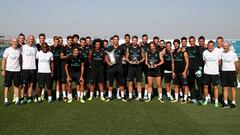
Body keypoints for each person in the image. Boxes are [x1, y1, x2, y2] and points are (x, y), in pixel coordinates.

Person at [105, 35, 126, 102]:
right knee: (110, 83)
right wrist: (108, 62)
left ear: (118, 40)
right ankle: (109, 96)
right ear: (113, 40)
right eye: (114, 39)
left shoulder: (121, 48)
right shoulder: (109, 48)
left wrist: (124, 59)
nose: (116, 40)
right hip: (111, 68)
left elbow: (124, 55)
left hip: (119, 68)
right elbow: (106, 57)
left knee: (120, 83)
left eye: (117, 39)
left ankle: (122, 96)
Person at [2, 38, 21, 106]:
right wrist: (3, 70)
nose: (15, 43)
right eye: (13, 42)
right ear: (11, 42)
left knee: (16, 86)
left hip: (17, 71)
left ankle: (17, 100)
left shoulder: (19, 50)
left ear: (18, 42)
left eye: (16, 42)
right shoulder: (7, 50)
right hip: (9, 71)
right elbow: (4, 60)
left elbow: (20, 60)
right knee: (7, 86)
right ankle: (6, 100)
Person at [202, 40, 221, 107]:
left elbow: (219, 61)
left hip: (215, 73)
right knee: (205, 86)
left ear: (214, 46)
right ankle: (206, 100)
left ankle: (216, 101)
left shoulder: (218, 52)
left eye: (211, 45)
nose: (210, 47)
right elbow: (205, 61)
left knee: (215, 87)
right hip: (206, 72)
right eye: (209, 45)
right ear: (207, 46)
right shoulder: (205, 52)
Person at [125, 36, 145, 101]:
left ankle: (139, 97)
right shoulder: (129, 48)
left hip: (138, 67)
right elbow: (126, 58)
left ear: (137, 41)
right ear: (132, 41)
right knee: (130, 83)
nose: (135, 41)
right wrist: (129, 61)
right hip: (131, 67)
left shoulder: (140, 48)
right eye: (133, 40)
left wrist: (139, 61)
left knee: (139, 83)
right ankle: (130, 97)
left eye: (136, 40)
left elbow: (144, 58)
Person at [20, 35, 38, 104]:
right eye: (30, 39)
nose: (31, 40)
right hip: (25, 68)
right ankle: (22, 98)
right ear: (27, 40)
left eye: (32, 39)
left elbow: (37, 57)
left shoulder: (35, 47)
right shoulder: (23, 47)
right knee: (24, 85)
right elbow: (20, 57)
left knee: (31, 84)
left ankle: (30, 97)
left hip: (33, 68)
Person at [221, 41, 238, 108]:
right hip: (224, 72)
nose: (225, 47)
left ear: (229, 46)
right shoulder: (222, 53)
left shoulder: (233, 53)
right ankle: (225, 102)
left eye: (226, 46)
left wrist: (236, 72)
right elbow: (221, 62)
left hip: (232, 72)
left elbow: (236, 63)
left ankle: (233, 102)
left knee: (233, 88)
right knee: (225, 87)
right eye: (224, 46)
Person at [172, 39, 189, 104]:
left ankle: (185, 99)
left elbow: (187, 63)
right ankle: (176, 98)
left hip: (183, 72)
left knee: (185, 86)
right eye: (175, 44)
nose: (176, 45)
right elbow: (173, 63)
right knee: (176, 85)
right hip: (176, 72)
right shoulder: (173, 52)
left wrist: (185, 72)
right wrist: (173, 72)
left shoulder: (184, 52)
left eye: (177, 44)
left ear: (179, 44)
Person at [186, 36, 201, 103]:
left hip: (197, 70)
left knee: (199, 84)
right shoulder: (187, 48)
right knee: (192, 85)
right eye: (190, 41)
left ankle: (200, 98)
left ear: (195, 41)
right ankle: (193, 98)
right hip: (190, 70)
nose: (191, 42)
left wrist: (200, 69)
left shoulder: (198, 48)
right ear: (189, 42)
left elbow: (201, 59)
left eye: (193, 41)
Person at [60, 36, 73, 101]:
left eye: (71, 40)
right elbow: (61, 57)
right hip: (64, 66)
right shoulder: (64, 47)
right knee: (63, 82)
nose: (70, 41)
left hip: (71, 67)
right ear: (67, 40)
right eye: (69, 40)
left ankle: (69, 95)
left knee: (69, 82)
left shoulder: (73, 47)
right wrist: (68, 56)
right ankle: (64, 96)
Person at [50, 36, 62, 101]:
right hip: (51, 69)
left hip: (58, 68)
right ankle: (51, 96)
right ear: (53, 41)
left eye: (58, 42)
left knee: (57, 82)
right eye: (56, 42)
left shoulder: (60, 48)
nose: (57, 43)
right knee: (51, 83)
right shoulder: (50, 48)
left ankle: (57, 96)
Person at [140, 34, 150, 100]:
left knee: (147, 80)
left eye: (145, 38)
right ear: (142, 39)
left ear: (147, 39)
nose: (144, 40)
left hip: (147, 65)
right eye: (143, 38)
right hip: (140, 64)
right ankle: (138, 93)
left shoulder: (149, 45)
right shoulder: (139, 45)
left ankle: (145, 94)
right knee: (138, 80)